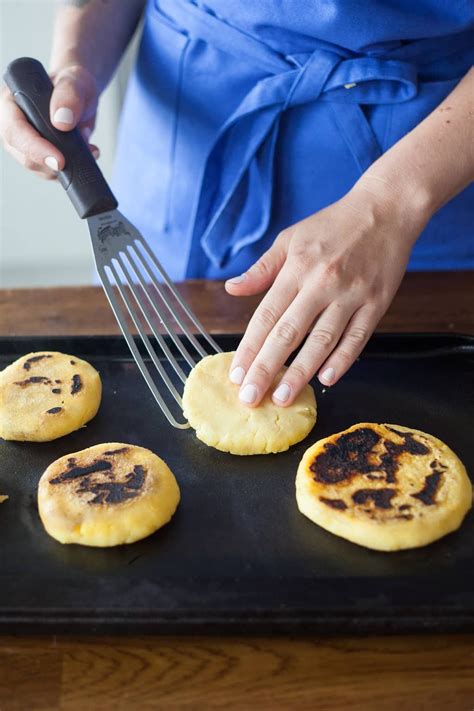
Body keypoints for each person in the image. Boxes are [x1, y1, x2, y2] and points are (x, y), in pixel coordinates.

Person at [1, 0, 473, 409]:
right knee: (137, 371)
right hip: (195, 124)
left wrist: (390, 205)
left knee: (421, 383)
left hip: (431, 150)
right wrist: (74, 62)